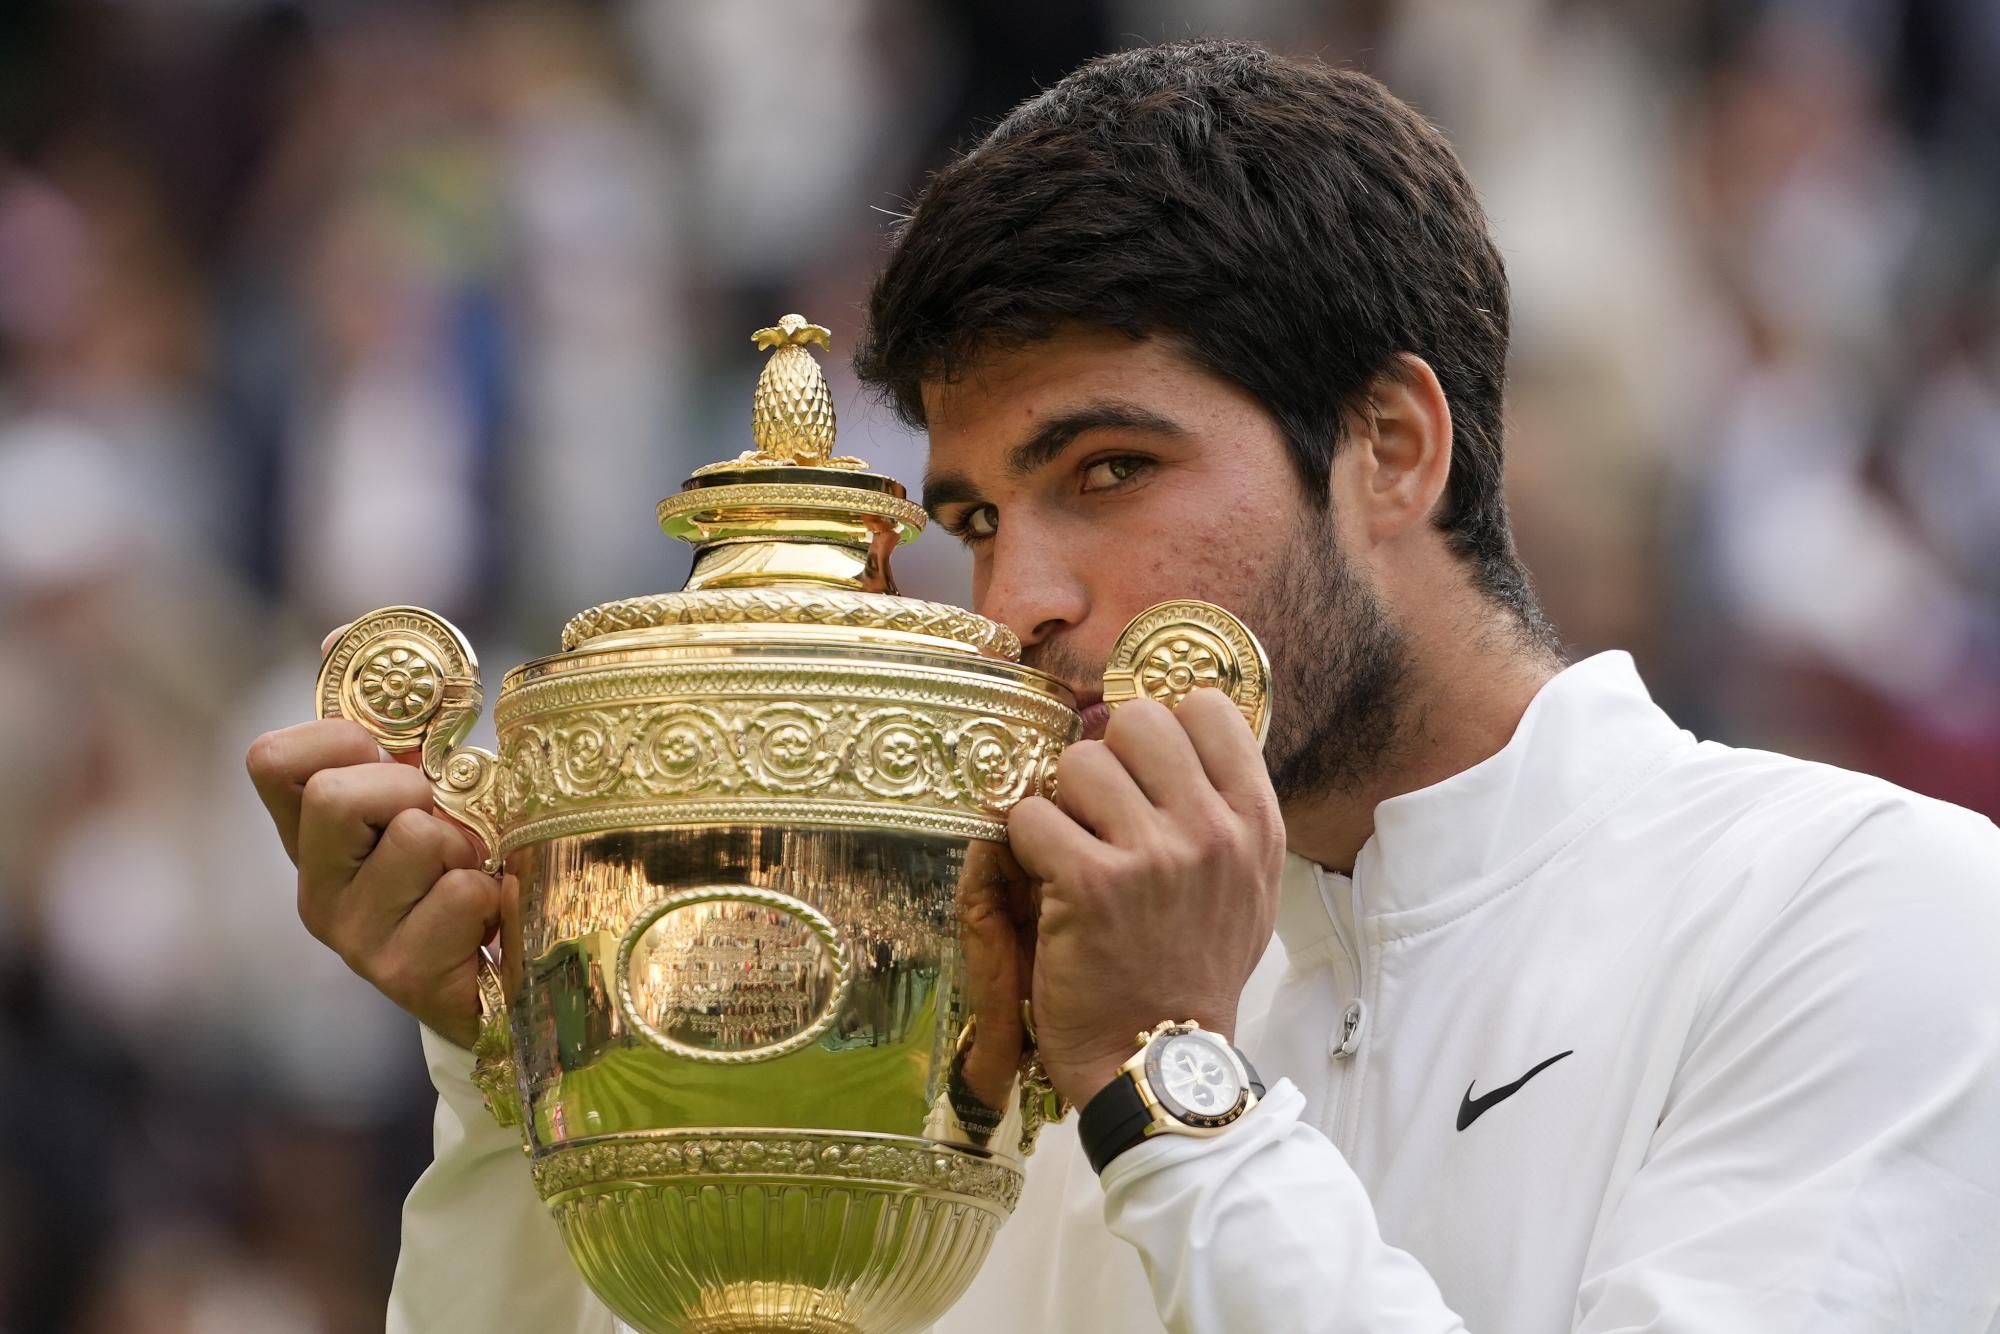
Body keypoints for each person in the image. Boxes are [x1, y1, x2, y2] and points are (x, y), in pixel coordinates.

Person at [247, 39, 2000, 1333]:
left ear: (1391, 447)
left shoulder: (1869, 907)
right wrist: (532, 1074)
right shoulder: (985, 995)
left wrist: (1170, 1086)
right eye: (972, 515)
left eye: (1107, 471)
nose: (1014, 601)